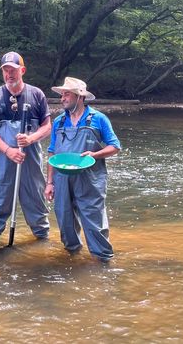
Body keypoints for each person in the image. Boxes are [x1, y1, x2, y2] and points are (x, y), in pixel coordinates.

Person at [45, 77, 121, 262]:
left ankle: (103, 260)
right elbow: (52, 152)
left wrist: (94, 155)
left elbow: (115, 146)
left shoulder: (98, 119)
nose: (62, 98)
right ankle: (72, 257)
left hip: (90, 178)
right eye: (62, 94)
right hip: (62, 178)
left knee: (94, 222)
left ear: (80, 97)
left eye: (66, 94)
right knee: (65, 220)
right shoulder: (59, 122)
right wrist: (49, 182)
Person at [0, 51, 52, 241]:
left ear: (22, 70)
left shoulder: (37, 95)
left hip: (30, 159)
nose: (9, 74)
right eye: (5, 70)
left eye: (13, 70)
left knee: (36, 200)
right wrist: (7, 150)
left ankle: (41, 241)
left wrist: (31, 138)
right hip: (2, 159)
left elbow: (47, 127)